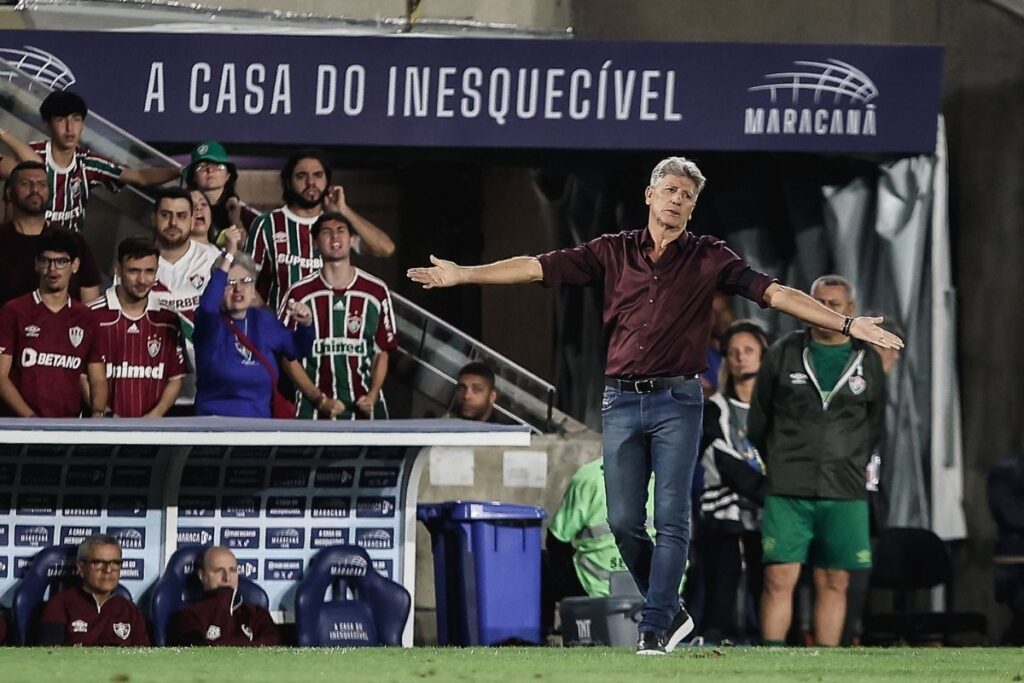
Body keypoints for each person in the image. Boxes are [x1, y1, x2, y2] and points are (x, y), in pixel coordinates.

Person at [407, 156, 903, 655]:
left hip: (678, 400)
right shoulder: (611, 251)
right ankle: (672, 610)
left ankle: (656, 625)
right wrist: (463, 274)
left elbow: (774, 293)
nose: (677, 200)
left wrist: (845, 325)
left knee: (671, 518)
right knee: (624, 521)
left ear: (693, 207)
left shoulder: (710, 256)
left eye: (687, 195)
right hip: (620, 400)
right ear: (649, 195)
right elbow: (536, 266)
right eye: (669, 190)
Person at [749, 275, 887, 648]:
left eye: (835, 304)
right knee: (779, 578)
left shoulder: (867, 359)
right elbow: (758, 420)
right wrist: (779, 462)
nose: (826, 310)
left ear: (851, 310)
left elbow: (874, 425)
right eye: (819, 303)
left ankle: (826, 667)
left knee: (835, 581)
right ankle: (770, 667)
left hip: (844, 487)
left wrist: (851, 461)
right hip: (788, 486)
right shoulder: (783, 352)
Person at [279, 212, 397, 420]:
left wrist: (372, 395)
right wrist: (319, 399)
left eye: (341, 231)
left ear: (352, 240)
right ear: (315, 243)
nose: (335, 237)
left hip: (365, 411)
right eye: (326, 232)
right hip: (312, 411)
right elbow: (287, 356)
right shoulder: (299, 293)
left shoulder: (376, 291)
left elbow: (382, 351)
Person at [245, 149, 395, 312]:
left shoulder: (337, 226)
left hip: (330, 331)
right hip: (284, 332)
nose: (311, 182)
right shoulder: (267, 223)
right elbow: (244, 279)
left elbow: (385, 248)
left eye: (318, 175)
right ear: (288, 182)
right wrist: (270, 321)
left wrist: (343, 210)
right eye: (301, 176)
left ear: (327, 181)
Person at [697, 320, 771, 645]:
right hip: (723, 520)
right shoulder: (713, 410)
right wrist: (772, 493)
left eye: (749, 350)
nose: (741, 357)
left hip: (770, 520)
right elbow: (723, 461)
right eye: (733, 352)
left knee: (767, 595)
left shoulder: (779, 409)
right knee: (720, 603)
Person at [193, 226, 314, 418]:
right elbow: (208, 305)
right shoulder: (210, 322)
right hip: (213, 424)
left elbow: (298, 350)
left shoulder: (265, 320)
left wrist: (306, 325)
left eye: (246, 281)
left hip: (259, 426)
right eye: (230, 283)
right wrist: (229, 255)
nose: (238, 289)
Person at [27, 90, 179, 233]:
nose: (69, 128)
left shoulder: (88, 162)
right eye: (61, 120)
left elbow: (140, 177)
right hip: (31, 245)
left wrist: (179, 171)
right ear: (47, 125)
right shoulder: (31, 154)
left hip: (70, 251)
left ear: (83, 125)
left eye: (76, 119)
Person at [544, 457, 659, 635]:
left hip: (595, 589)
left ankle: (546, 634)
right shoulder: (668, 479)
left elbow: (556, 539)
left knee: (542, 563)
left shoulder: (589, 478)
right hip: (656, 589)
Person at [0, 229, 106, 417]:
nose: (52, 269)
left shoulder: (87, 318)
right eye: (46, 261)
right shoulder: (14, 311)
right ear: (36, 264)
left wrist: (98, 413)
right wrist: (31, 420)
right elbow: (1, 377)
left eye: (61, 261)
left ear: (75, 265)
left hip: (68, 430)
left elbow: (97, 377)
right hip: (19, 428)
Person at [88, 237, 186, 417]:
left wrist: (154, 417)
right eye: (134, 271)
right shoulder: (92, 316)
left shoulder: (168, 319)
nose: (142, 280)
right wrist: (106, 415)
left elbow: (175, 378)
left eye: (149, 271)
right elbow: (81, 376)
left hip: (152, 433)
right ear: (118, 269)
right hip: (102, 431)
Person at [151, 186, 220, 408]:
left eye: (181, 216)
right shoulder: (137, 262)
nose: (173, 223)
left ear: (192, 220)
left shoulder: (215, 260)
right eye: (165, 215)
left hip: (206, 390)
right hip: (151, 392)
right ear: (154, 219)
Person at [0, 160, 101, 306]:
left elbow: (90, 304)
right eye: (26, 184)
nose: (35, 190)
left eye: (42, 184)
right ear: (9, 192)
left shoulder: (72, 240)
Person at [36, 534, 149, 646]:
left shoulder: (130, 610)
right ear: (81, 568)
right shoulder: (59, 605)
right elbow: (50, 657)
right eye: (99, 563)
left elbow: (144, 659)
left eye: (115, 563)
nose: (108, 570)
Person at [168, 546, 280, 646]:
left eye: (232, 570)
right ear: (202, 576)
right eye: (218, 571)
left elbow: (273, 648)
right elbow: (196, 654)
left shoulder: (257, 614)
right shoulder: (188, 616)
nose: (227, 578)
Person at [181, 141, 259, 243]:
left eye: (219, 166)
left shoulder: (244, 214)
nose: (210, 170)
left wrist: (236, 220)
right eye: (201, 167)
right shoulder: (183, 210)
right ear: (193, 177)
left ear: (228, 175)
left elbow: (248, 251)